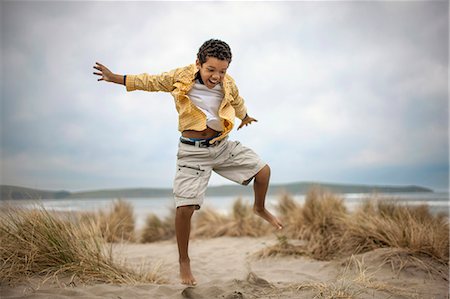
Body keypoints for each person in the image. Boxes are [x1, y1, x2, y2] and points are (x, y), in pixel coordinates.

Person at [93, 39, 283, 285]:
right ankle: (184, 261)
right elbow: (149, 81)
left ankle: (259, 208)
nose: (216, 76)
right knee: (185, 209)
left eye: (222, 71)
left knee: (263, 171)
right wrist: (115, 78)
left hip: (221, 145)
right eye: (211, 70)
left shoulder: (229, 83)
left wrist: (244, 117)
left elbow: (237, 102)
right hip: (192, 153)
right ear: (198, 64)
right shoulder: (180, 77)